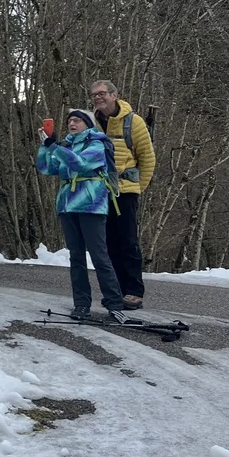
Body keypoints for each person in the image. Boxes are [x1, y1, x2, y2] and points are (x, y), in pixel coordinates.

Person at [37, 109, 134, 323]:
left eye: (78, 120)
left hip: (91, 205)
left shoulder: (98, 143)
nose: (72, 123)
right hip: (68, 206)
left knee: (99, 256)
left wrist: (53, 146)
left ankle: (115, 305)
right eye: (70, 120)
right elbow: (46, 168)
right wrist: (44, 147)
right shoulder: (66, 146)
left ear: (88, 124)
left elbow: (80, 164)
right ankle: (81, 304)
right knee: (76, 257)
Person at [90, 80, 156, 310]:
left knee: (128, 242)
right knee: (108, 244)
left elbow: (148, 158)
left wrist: (138, 188)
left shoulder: (133, 122)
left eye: (102, 93)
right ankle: (115, 290)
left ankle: (134, 292)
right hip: (99, 193)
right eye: (95, 94)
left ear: (114, 95)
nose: (98, 98)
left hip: (125, 191)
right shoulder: (91, 122)